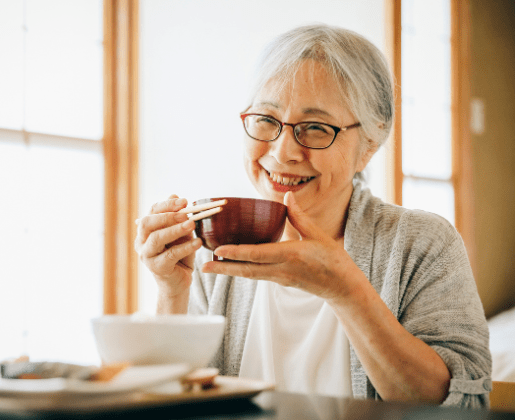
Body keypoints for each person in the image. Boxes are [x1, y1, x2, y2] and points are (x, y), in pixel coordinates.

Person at [134, 24, 491, 408]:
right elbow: (172, 405)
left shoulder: (423, 244)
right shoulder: (215, 249)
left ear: (369, 144)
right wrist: (172, 292)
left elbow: (465, 407)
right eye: (266, 120)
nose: (283, 150)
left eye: (316, 128)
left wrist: (346, 291)